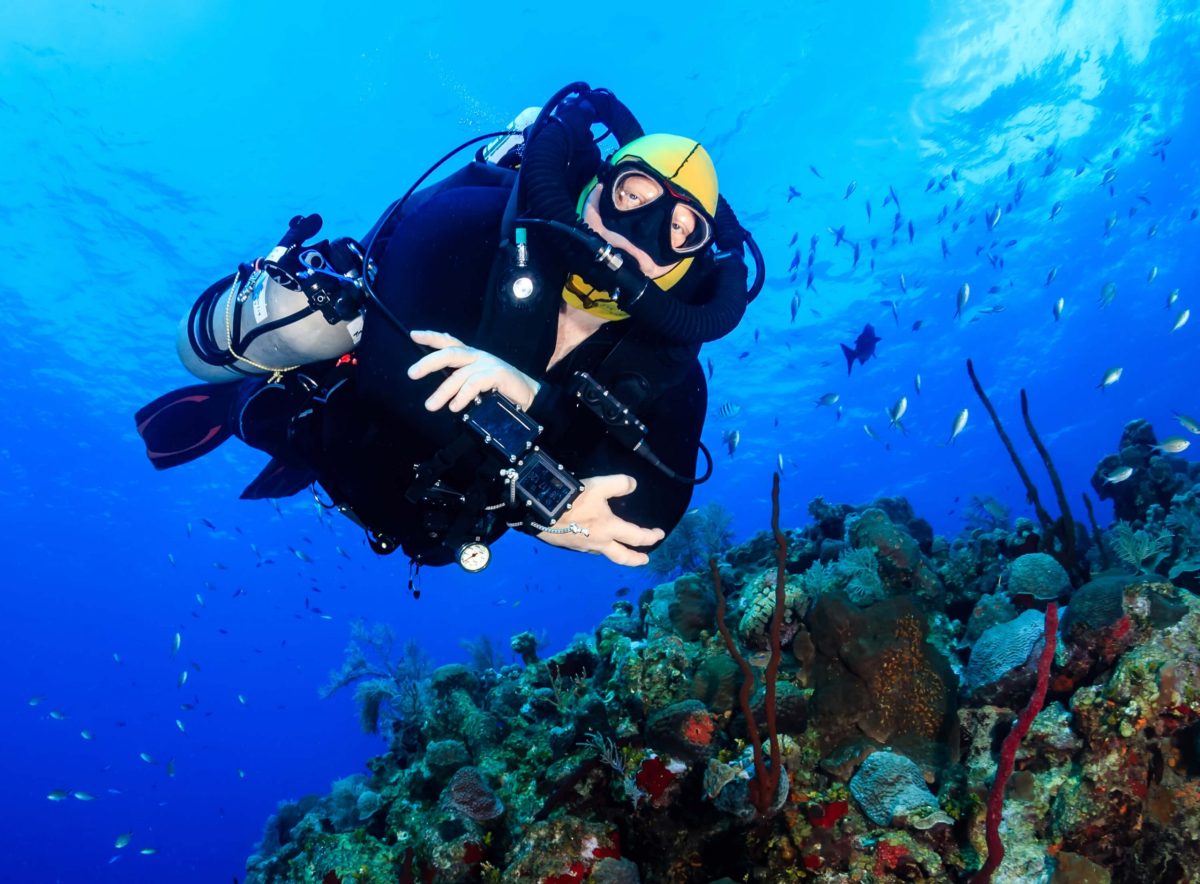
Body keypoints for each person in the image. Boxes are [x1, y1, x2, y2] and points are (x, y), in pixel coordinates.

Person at [135, 84, 760, 573]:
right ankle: (242, 398)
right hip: (344, 422)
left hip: (441, 526)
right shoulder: (470, 219)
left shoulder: (669, 364)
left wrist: (533, 403)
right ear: (593, 188)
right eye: (634, 195)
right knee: (288, 416)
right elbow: (393, 372)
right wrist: (552, 489)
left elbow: (654, 512)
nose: (641, 237)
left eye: (681, 231)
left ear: (692, 265)